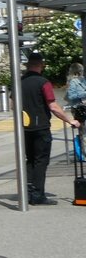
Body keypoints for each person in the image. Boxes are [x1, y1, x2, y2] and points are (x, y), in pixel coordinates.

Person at [20, 51, 80, 206]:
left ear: (28, 66)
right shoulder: (43, 82)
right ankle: (38, 195)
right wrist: (70, 121)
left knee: (30, 160)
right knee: (41, 161)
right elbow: (53, 106)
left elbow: (13, 105)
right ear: (41, 65)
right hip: (41, 127)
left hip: (25, 128)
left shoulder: (19, 81)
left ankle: (27, 192)